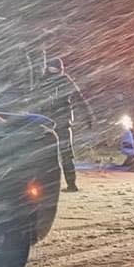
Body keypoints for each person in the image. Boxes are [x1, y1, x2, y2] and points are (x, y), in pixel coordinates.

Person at [33, 54, 95, 192]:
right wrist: (89, 116)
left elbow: (36, 102)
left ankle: (53, 186)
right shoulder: (63, 80)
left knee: (51, 155)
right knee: (65, 154)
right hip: (57, 122)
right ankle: (69, 184)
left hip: (49, 123)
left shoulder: (46, 81)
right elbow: (80, 99)